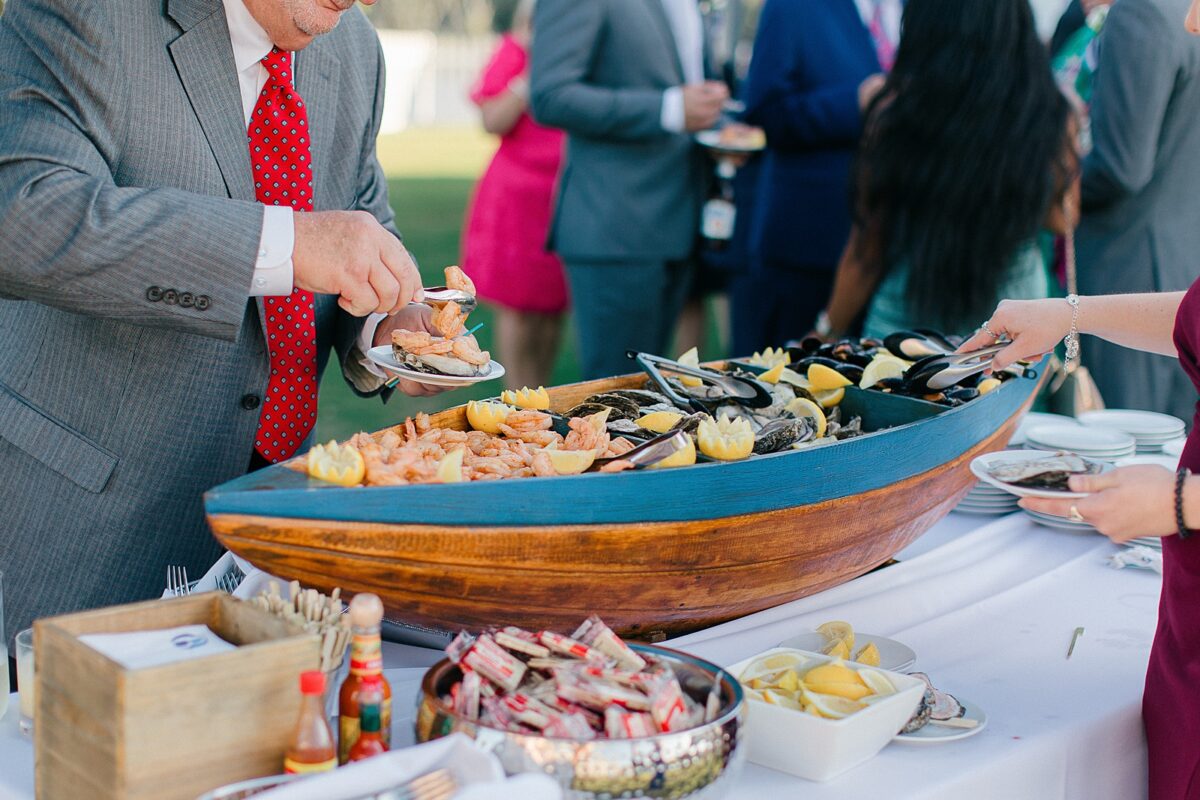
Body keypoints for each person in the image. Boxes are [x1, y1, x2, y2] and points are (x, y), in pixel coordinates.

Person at [0, 0, 442, 653]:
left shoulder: (354, 51)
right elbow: (25, 219)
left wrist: (391, 329)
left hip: (268, 543)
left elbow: (361, 224)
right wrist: (287, 245)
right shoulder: (89, 12)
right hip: (84, 530)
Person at [817, 0, 1076, 341]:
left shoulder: (895, 117)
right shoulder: (1049, 114)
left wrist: (825, 331)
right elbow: (1061, 219)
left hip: (903, 336)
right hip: (1012, 333)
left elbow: (867, 253)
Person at [530, 0, 727, 380]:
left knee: (653, 394)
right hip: (615, 225)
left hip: (680, 219)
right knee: (613, 396)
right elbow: (550, 95)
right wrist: (667, 109)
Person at [734, 0, 897, 356]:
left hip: (897, 249)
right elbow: (764, 110)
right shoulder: (793, 7)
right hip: (812, 244)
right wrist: (852, 102)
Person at [1076, 0, 1200, 421]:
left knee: (1125, 447)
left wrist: (1043, 188)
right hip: (1180, 262)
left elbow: (1120, 167)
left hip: (1130, 267)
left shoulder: (1141, 11)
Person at [461, 0, 567, 391]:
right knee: (519, 306)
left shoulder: (575, 56)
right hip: (517, 200)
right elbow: (493, 120)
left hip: (560, 197)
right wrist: (528, 75)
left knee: (553, 306)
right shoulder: (515, 52)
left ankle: (543, 392)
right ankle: (515, 395)